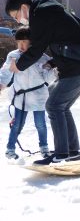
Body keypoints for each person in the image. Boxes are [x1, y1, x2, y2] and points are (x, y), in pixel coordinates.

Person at [5, 0, 80, 165]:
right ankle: (72, 152)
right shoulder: (49, 11)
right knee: (62, 107)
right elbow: (71, 38)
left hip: (79, 68)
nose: (19, 22)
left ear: (24, 8)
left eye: (16, 16)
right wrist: (53, 61)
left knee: (54, 105)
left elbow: (36, 50)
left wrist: (18, 66)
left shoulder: (40, 15)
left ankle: (62, 154)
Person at [0, 27, 56, 160]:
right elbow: (6, 71)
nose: (21, 45)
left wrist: (53, 70)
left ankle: (44, 148)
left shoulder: (41, 57)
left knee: (41, 124)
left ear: (31, 42)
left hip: (38, 97)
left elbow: (47, 78)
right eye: (18, 42)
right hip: (21, 97)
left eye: (24, 42)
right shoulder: (13, 55)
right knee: (17, 124)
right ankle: (10, 149)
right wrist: (1, 83)